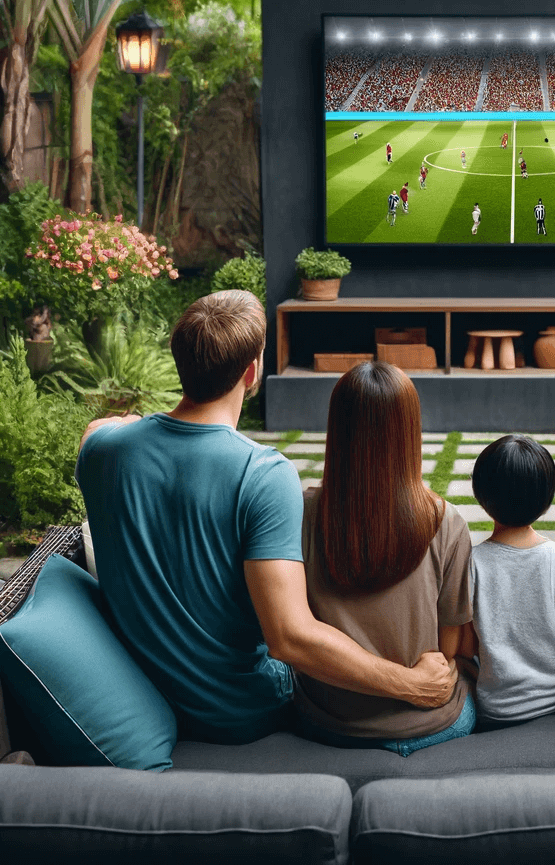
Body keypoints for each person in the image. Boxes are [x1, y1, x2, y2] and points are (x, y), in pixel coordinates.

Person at [76, 291, 456, 744]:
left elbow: (96, 429)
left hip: (145, 693)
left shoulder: (103, 454)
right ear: (252, 372)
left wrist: (130, 422)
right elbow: (290, 639)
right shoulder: (262, 475)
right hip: (241, 712)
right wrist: (409, 683)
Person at [294, 362, 475, 756]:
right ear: (411, 431)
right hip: (434, 724)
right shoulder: (446, 522)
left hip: (327, 723)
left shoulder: (300, 513)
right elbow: (447, 648)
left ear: (336, 430)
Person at [461, 436, 555, 729]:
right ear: (547, 500)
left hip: (497, 710)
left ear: (480, 494)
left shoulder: (471, 565)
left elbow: (466, 648)